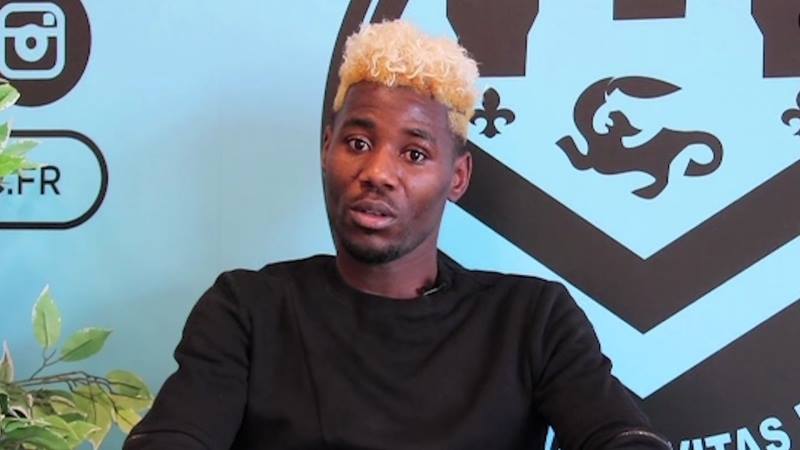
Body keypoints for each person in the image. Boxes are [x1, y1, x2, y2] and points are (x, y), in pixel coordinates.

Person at [124, 20, 671, 450]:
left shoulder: (532, 319)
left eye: (414, 153)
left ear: (457, 177)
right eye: (358, 143)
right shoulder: (248, 311)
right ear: (327, 148)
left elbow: (621, 437)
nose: (378, 172)